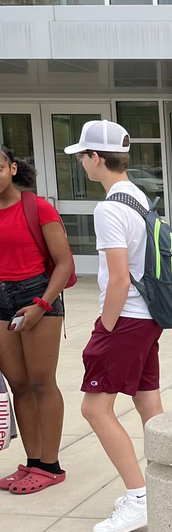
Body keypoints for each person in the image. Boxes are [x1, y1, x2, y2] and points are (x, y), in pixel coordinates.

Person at [64, 121, 164, 532]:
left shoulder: (108, 208)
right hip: (148, 319)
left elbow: (119, 278)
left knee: (95, 408)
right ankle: (165, 489)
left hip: (125, 320)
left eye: (83, 156)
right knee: (148, 404)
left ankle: (140, 498)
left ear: (96, 158)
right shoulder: (137, 197)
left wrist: (105, 326)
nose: (83, 163)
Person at [0, 145, 74, 494]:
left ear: (12, 168)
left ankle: (51, 464)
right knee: (19, 385)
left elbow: (64, 263)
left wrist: (42, 304)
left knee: (42, 382)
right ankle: (32, 462)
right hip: (0, 301)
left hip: (35, 297)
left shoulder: (37, 207)